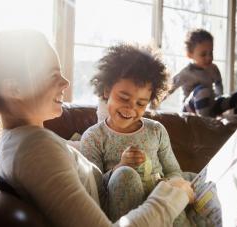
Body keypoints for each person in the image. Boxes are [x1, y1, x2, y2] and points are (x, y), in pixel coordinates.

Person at [0, 29, 195, 227]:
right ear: (14, 90)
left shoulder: (25, 142)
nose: (65, 82)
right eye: (54, 75)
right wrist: (174, 196)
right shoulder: (35, 150)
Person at [80, 43, 194, 226]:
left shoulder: (156, 130)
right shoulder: (93, 137)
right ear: (107, 90)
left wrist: (172, 183)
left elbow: (173, 170)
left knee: (179, 184)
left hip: (161, 208)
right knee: (126, 174)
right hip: (125, 212)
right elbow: (94, 191)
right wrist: (120, 166)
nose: (131, 108)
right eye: (124, 98)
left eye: (141, 103)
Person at [169, 28, 237, 117]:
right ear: (189, 54)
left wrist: (219, 99)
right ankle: (206, 126)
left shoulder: (213, 68)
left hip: (210, 106)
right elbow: (167, 88)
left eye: (211, 53)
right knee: (202, 91)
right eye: (203, 54)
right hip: (189, 111)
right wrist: (153, 104)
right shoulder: (185, 72)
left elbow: (219, 87)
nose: (209, 57)